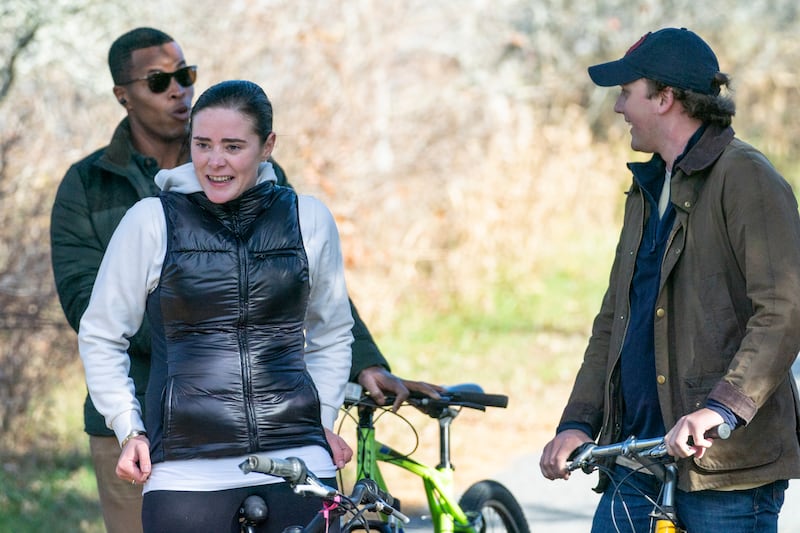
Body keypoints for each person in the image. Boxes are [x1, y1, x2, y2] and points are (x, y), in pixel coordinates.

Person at [50, 27, 441, 533]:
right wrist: (182, 349)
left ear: (265, 146)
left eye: (184, 76)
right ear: (122, 94)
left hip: (291, 446)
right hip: (159, 433)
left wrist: (346, 382)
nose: (177, 89)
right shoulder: (98, 189)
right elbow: (92, 315)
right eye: (159, 80)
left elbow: (316, 304)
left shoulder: (295, 209)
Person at [539, 27, 800, 532]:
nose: (617, 108)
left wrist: (721, 409)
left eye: (625, 93)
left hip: (724, 473)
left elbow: (785, 311)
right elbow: (613, 321)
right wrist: (576, 424)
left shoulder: (746, 177)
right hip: (634, 462)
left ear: (665, 98)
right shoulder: (646, 188)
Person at [78, 78, 354, 532]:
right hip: (186, 472)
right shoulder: (151, 221)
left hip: (299, 464)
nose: (214, 161)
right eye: (202, 144)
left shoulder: (310, 218)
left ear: (267, 146)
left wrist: (321, 421)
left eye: (232, 146)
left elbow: (332, 332)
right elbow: (102, 334)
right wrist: (128, 427)